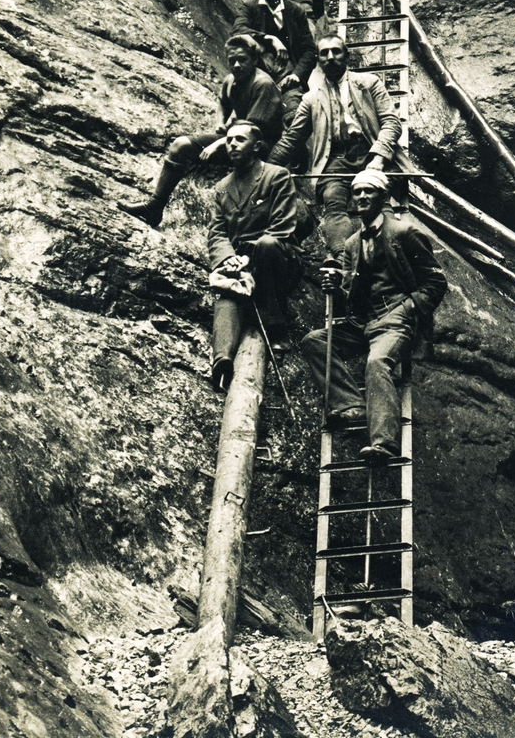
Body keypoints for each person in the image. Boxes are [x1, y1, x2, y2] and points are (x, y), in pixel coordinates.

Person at [300, 170, 447, 458]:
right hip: (363, 321)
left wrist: (408, 308)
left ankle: (383, 443)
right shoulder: (353, 243)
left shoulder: (404, 233)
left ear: (384, 197)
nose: (363, 196)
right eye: (357, 192)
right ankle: (350, 406)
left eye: (370, 191)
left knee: (377, 362)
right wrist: (334, 288)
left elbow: (435, 282)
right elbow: (350, 293)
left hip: (395, 319)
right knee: (314, 341)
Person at [124, 35, 282, 229]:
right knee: (179, 145)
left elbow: (253, 131)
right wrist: (220, 122)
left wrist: (218, 143)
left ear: (255, 60)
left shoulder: (263, 84)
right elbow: (223, 103)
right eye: (232, 60)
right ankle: (155, 206)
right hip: (236, 136)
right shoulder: (232, 79)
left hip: (259, 146)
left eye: (243, 60)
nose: (237, 65)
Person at [270, 35, 404, 252]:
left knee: (377, 200)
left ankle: (388, 253)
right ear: (318, 61)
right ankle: (343, 260)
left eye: (336, 51)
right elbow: (292, 139)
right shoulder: (311, 98)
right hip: (334, 160)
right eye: (324, 53)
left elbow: (392, 123)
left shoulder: (369, 84)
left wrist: (379, 158)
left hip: (370, 153)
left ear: (346, 56)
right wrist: (266, 167)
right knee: (333, 200)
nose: (330, 57)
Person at [208, 121, 302, 392]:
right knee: (227, 294)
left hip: (278, 260)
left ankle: (276, 325)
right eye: (228, 140)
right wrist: (229, 261)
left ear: (256, 145)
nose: (232, 145)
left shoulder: (276, 175)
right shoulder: (222, 188)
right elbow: (216, 233)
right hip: (242, 265)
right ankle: (222, 361)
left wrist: (248, 256)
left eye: (239, 139)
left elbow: (282, 225)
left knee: (268, 244)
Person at [232, 0, 316, 87]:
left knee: (294, 105)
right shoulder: (249, 7)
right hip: (257, 76)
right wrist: (270, 39)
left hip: (289, 78)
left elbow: (309, 50)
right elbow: (238, 30)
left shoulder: (295, 10)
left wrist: (297, 75)